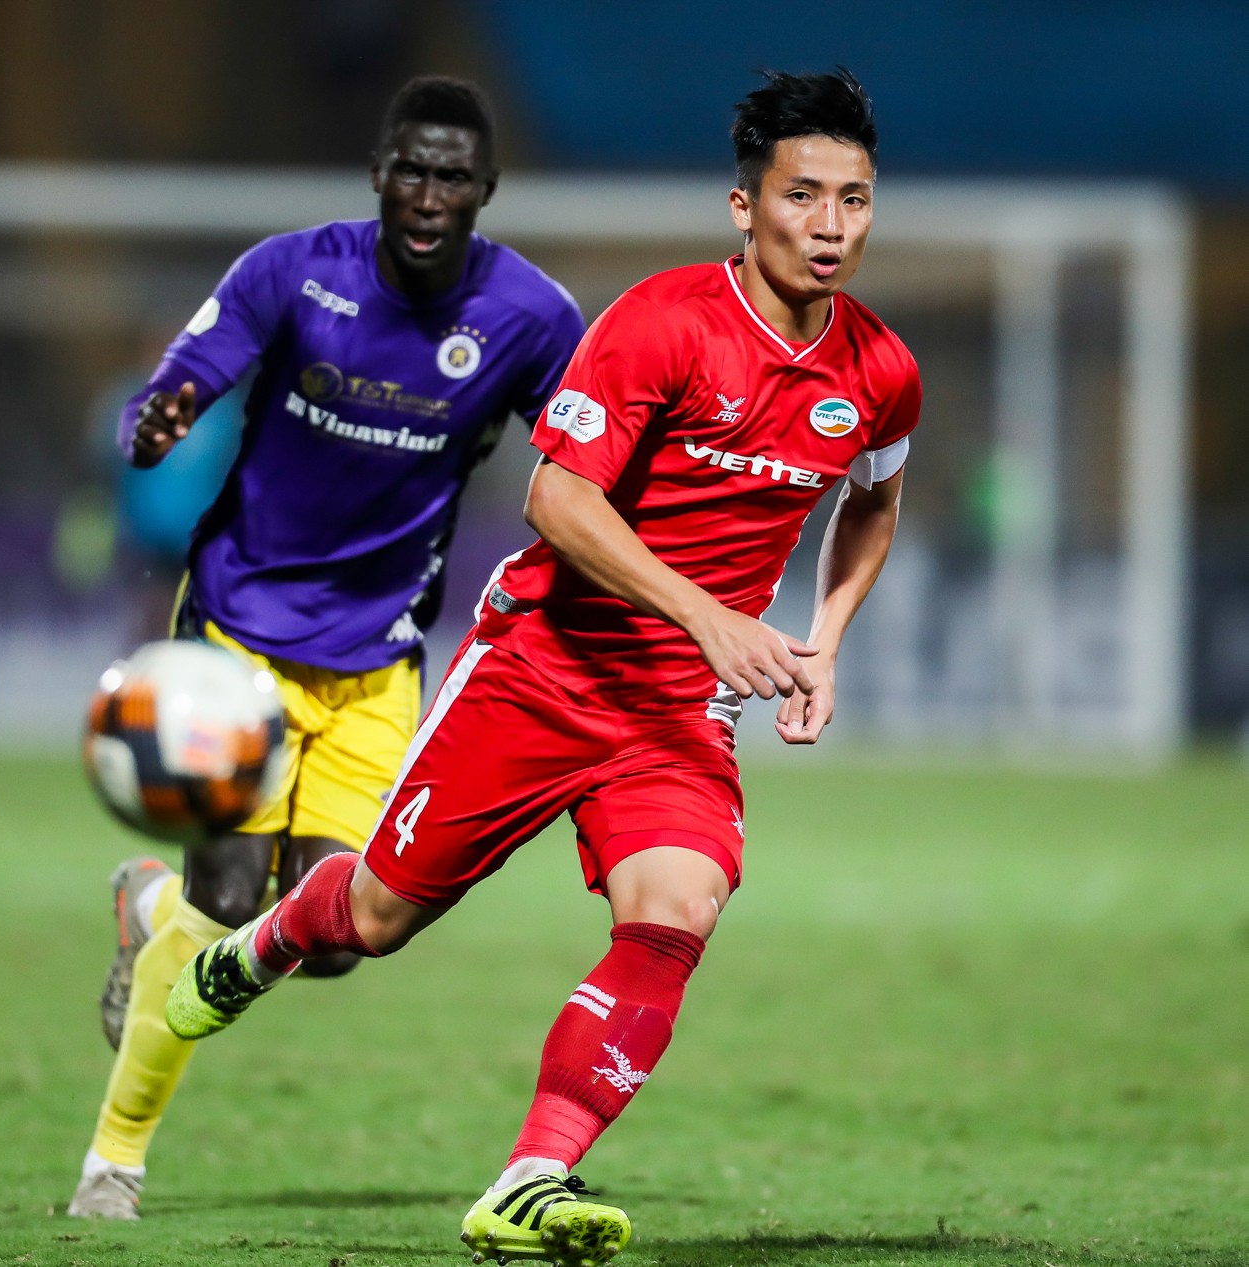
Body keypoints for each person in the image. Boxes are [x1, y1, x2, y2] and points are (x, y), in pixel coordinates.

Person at [167, 69, 920, 1266]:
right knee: (372, 916)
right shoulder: (659, 324)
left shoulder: (879, 371)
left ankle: (531, 1175)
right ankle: (254, 948)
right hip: (542, 668)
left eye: (855, 201)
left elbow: (874, 503)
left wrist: (822, 637)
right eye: (804, 197)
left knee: (679, 906)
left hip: (675, 709)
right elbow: (557, 498)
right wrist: (706, 613)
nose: (830, 225)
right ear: (744, 204)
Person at [69, 75, 587, 1220]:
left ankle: (141, 907)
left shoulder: (534, 319)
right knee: (226, 892)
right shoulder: (291, 270)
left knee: (339, 932)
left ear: (485, 191)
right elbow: (178, 385)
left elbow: (594, 460)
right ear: (377, 171)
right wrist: (154, 423)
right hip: (236, 631)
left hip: (378, 657)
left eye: (452, 175)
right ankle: (114, 1161)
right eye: (410, 167)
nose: (428, 193)